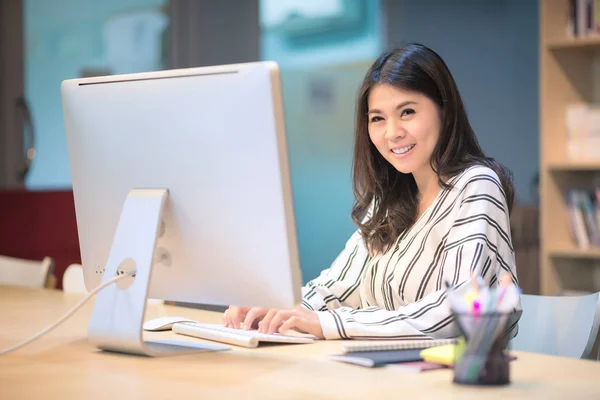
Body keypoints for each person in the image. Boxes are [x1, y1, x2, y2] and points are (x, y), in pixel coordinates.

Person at [223, 43, 521, 340]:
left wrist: (333, 324)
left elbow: (457, 309)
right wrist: (278, 309)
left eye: (407, 112)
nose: (392, 132)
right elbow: (340, 286)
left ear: (444, 110)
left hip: (456, 377)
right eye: (377, 118)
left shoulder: (477, 186)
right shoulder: (391, 199)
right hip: (391, 371)